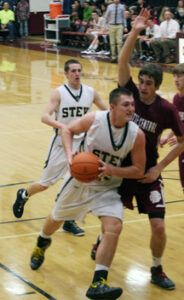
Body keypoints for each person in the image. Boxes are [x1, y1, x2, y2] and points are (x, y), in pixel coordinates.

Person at [91, 9, 184, 290]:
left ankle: (156, 269)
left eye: (148, 84)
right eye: (141, 82)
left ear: (157, 85)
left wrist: (159, 167)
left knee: (158, 226)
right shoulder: (128, 96)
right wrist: (134, 32)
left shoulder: (166, 110)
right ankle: (102, 240)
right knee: (112, 220)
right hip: (121, 172)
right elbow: (122, 62)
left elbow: (182, 141)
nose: (142, 87)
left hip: (147, 174)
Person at [29, 87, 146, 300]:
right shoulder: (95, 119)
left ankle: (98, 282)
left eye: (132, 105)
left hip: (107, 187)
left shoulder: (136, 135)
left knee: (114, 227)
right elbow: (67, 130)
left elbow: (139, 169)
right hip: (79, 183)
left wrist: (112, 170)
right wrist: (70, 155)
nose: (131, 109)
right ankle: (42, 242)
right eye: (126, 105)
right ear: (112, 107)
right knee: (55, 218)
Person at [12, 59, 107, 237]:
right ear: (66, 73)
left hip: (82, 144)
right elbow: (44, 117)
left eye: (79, 70)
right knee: (45, 184)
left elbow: (107, 112)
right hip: (60, 143)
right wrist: (62, 126)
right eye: (73, 71)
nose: (77, 74)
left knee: (77, 182)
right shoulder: (59, 93)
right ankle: (24, 194)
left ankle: (68, 221)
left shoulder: (90, 92)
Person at [160, 63, 184, 192]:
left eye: (179, 76)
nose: (176, 79)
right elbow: (177, 123)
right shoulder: (176, 98)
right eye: (174, 76)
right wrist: (168, 136)